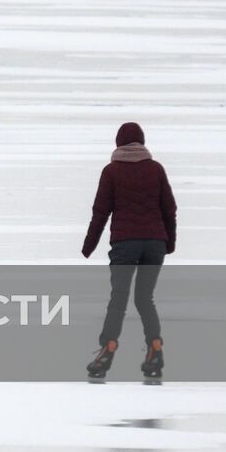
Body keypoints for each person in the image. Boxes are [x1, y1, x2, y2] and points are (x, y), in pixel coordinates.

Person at [81, 122, 178, 378]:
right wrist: (169, 242)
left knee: (119, 298)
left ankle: (108, 349)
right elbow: (169, 208)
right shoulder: (155, 169)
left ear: (118, 143)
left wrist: (88, 246)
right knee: (144, 298)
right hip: (154, 243)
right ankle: (155, 347)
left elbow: (100, 213)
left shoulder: (111, 171)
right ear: (142, 142)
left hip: (125, 243)